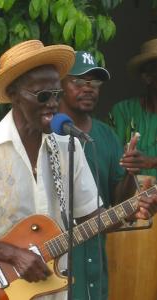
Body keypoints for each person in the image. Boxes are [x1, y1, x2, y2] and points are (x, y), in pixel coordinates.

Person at [0, 40, 104, 300]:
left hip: (52, 292)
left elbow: (92, 216)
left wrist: (136, 207)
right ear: (14, 94)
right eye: (43, 95)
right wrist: (13, 255)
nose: (53, 104)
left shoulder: (70, 147)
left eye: (56, 95)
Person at [59, 50, 157, 300]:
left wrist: (128, 173)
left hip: (97, 252)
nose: (88, 88)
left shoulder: (106, 135)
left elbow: (117, 197)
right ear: (60, 85)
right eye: (79, 81)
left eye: (95, 82)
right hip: (58, 254)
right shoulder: (46, 135)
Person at [108, 38, 157, 300]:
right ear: (148, 77)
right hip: (133, 213)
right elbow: (114, 163)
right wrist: (127, 162)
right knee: (132, 287)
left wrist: (152, 162)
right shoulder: (123, 111)